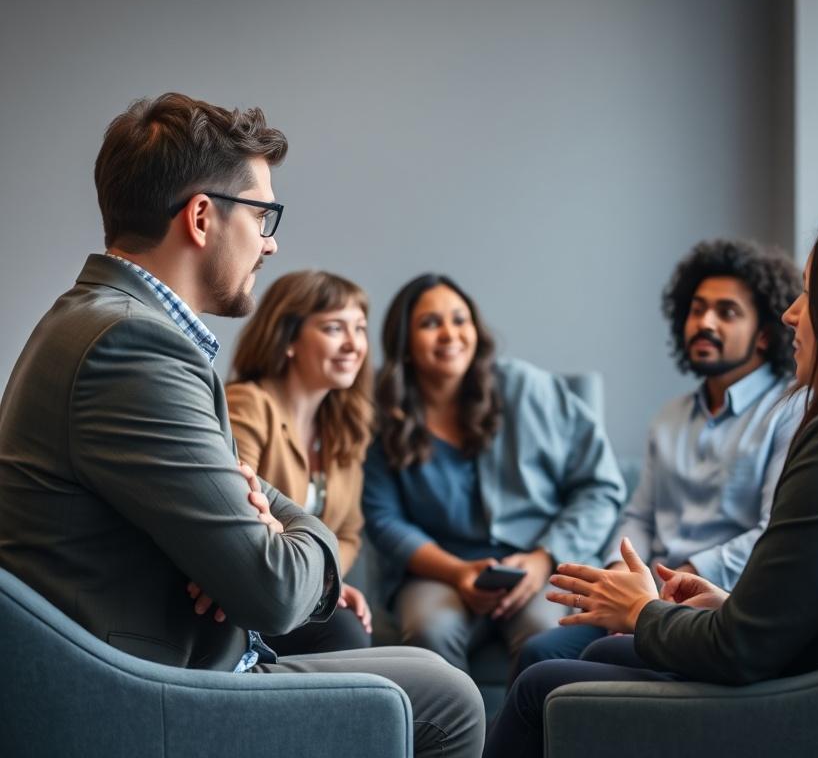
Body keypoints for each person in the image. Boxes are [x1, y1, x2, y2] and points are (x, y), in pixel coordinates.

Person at [0, 93, 483, 758]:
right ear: (202, 217)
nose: (271, 240)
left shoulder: (109, 322)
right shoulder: (132, 346)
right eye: (263, 215)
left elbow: (251, 506)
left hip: (174, 659)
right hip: (144, 691)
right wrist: (292, 537)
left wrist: (262, 533)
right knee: (448, 703)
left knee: (431, 677)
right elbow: (274, 590)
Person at [483, 202, 818, 758]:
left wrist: (643, 611)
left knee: (540, 688)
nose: (790, 314)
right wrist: (725, 605)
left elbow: (739, 653)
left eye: (810, 293)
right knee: (597, 659)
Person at [514, 239, 803, 675]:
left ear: (764, 334)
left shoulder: (790, 410)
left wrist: (675, 577)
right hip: (647, 594)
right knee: (538, 652)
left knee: (580, 663)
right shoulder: (669, 418)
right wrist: (616, 568)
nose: (704, 322)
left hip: (716, 605)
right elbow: (641, 516)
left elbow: (771, 531)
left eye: (726, 312)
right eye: (697, 309)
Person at [361, 273, 627, 673]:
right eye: (430, 323)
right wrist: (457, 571)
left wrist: (543, 558)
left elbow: (599, 486)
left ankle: (524, 738)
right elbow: (384, 519)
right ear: (406, 344)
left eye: (459, 319)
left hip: (546, 561)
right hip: (439, 571)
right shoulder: (383, 414)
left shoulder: (528, 389)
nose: (450, 334)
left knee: (545, 631)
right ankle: (453, 738)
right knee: (430, 629)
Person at [227, 270, 375, 653]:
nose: (353, 345)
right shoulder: (248, 404)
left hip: (297, 590)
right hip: (251, 591)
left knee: (349, 624)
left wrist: (328, 582)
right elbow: (239, 508)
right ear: (288, 338)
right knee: (346, 632)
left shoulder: (345, 427)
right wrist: (317, 580)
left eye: (359, 329)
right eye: (334, 329)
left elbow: (347, 534)